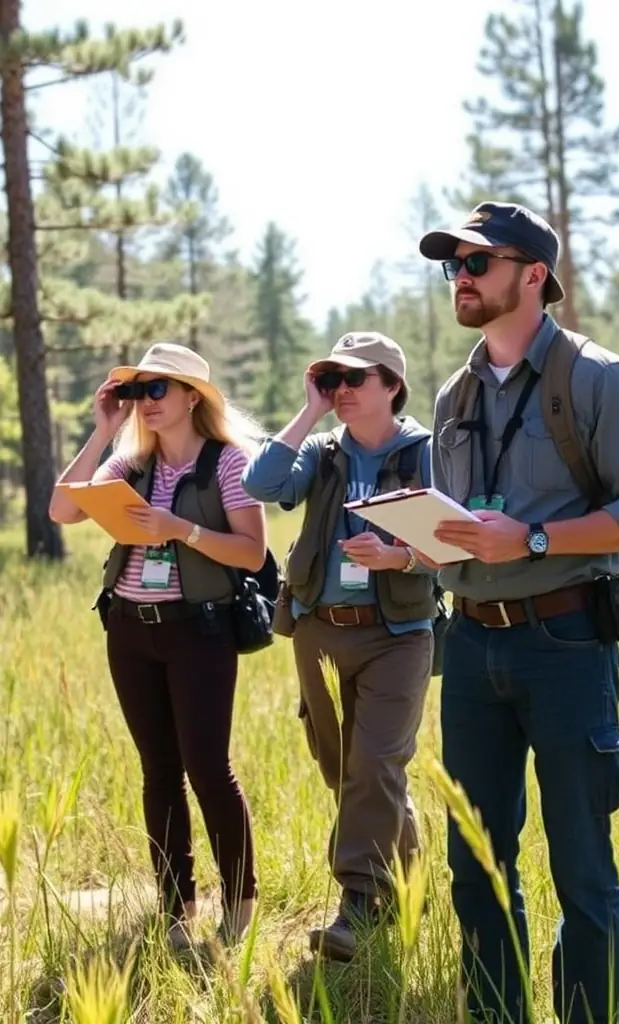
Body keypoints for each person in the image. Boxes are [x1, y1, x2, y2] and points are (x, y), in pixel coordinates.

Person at [417, 202, 619, 1024]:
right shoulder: (453, 394)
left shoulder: (595, 376)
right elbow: (460, 521)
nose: (460, 277)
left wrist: (529, 540)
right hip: (467, 649)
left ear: (534, 276)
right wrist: (423, 542)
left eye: (478, 262)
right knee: (477, 865)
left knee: (582, 865)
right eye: (452, 265)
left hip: (568, 643)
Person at [49, 342, 266, 951]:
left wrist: (182, 530)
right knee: (158, 773)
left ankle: (241, 902)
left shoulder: (227, 463)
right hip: (129, 629)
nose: (144, 402)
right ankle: (177, 907)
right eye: (136, 391)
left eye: (155, 390)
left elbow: (251, 552)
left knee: (208, 769)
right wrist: (103, 431)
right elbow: (62, 508)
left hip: (199, 631)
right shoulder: (130, 465)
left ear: (192, 397)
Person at [241, 331, 436, 962]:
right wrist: (308, 412)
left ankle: (357, 905)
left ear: (392, 386)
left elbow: (458, 542)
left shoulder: (427, 453)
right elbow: (263, 483)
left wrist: (397, 556)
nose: (343, 389)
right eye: (334, 379)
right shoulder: (321, 452)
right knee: (342, 769)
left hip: (398, 635)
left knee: (375, 764)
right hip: (321, 629)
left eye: (357, 379)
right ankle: (409, 878)